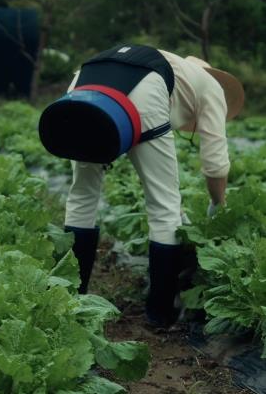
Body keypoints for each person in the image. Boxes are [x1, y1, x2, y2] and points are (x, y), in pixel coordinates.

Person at [38, 44, 244, 327]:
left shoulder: (175, 68)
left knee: (82, 197)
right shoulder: (211, 86)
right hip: (145, 90)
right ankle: (160, 314)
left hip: (84, 82)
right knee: (164, 206)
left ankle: (68, 299)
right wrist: (218, 204)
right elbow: (216, 163)